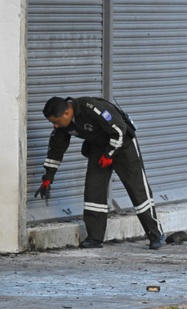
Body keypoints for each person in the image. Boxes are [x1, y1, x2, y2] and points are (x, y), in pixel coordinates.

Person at [35, 96, 165, 250]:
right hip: (98, 147)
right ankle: (95, 238)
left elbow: (118, 130)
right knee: (93, 191)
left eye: (56, 121)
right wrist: (48, 178)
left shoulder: (92, 108)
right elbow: (56, 150)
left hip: (123, 145)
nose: (55, 126)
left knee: (138, 191)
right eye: (52, 123)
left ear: (67, 113)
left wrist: (109, 154)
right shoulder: (62, 126)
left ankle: (156, 235)